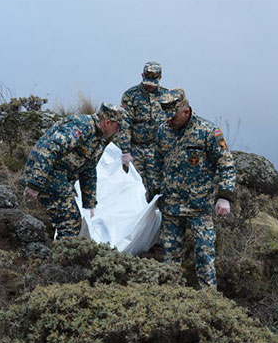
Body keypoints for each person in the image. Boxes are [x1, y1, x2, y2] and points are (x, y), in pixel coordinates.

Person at [153, 89, 236, 288]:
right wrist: (154, 191)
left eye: (172, 117)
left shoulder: (207, 131)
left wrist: (224, 196)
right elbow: (157, 163)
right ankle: (171, 300)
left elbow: (226, 164)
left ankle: (209, 301)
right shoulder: (163, 131)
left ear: (186, 112)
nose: (168, 121)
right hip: (171, 207)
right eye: (165, 117)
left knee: (204, 257)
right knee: (170, 259)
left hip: (199, 207)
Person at [21, 103, 123, 239]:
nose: (118, 131)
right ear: (107, 122)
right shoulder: (82, 126)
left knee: (72, 220)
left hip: (59, 177)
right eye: (117, 127)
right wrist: (35, 183)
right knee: (70, 221)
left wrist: (89, 204)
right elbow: (50, 148)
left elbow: (89, 171)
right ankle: (62, 257)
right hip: (47, 172)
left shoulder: (98, 140)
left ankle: (61, 253)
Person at [117, 61, 170, 200]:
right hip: (136, 149)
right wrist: (125, 151)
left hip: (157, 149)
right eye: (147, 82)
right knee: (136, 186)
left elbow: (172, 124)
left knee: (157, 186)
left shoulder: (166, 96)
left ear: (160, 78)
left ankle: (157, 219)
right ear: (142, 75)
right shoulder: (131, 95)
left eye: (153, 83)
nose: (149, 86)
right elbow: (124, 124)